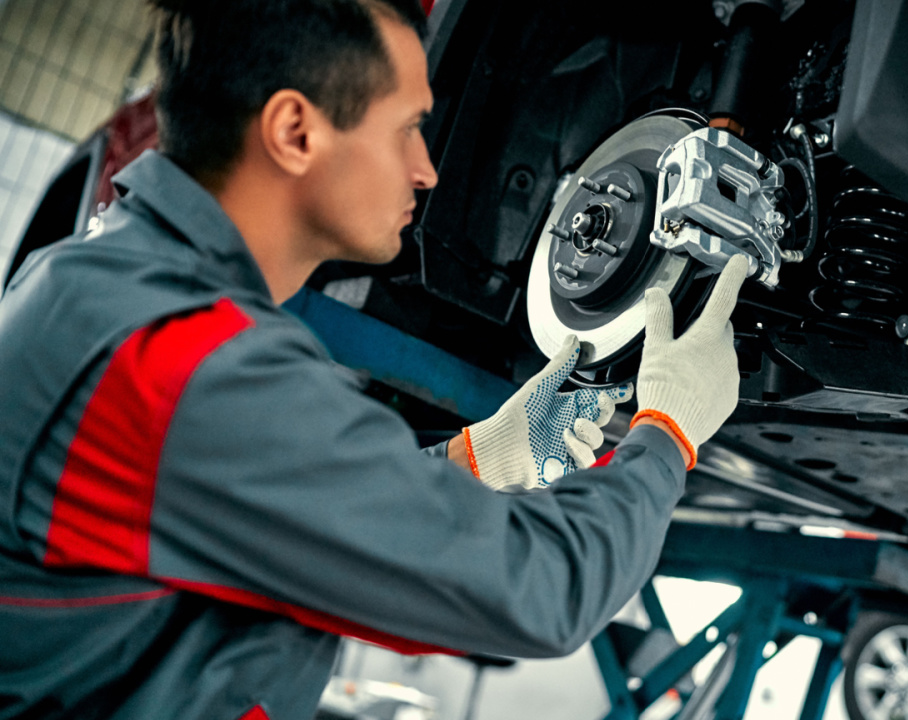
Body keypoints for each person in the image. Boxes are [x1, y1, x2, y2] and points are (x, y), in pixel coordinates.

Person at [0, 0, 749, 718]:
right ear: (295, 131)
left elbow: (300, 532)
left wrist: (481, 456)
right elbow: (540, 593)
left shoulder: (108, 290)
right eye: (408, 129)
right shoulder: (181, 360)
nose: (427, 169)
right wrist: (666, 436)